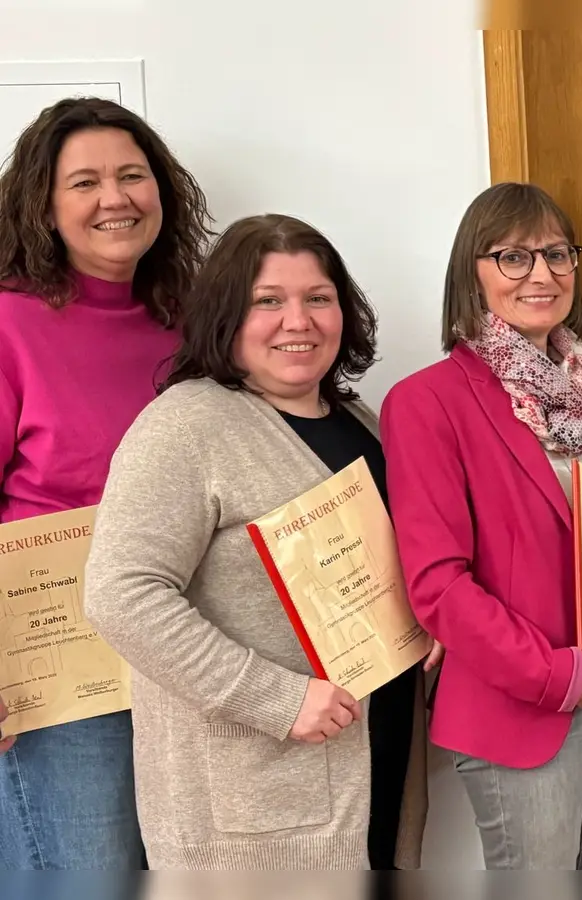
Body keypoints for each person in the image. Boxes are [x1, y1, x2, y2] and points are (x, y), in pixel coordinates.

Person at [81, 214, 431, 868]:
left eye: (317, 299)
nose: (297, 321)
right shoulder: (184, 427)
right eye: (267, 301)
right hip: (256, 805)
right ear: (225, 315)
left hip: (376, 760)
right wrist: (277, 698)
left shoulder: (361, 421)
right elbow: (119, 595)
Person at [381, 181, 582, 870]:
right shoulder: (427, 403)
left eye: (557, 254)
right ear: (471, 272)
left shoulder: (578, 396)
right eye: (513, 256)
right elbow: (439, 588)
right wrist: (559, 679)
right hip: (525, 706)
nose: (542, 274)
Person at [0, 96, 211, 870]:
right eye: (84, 182)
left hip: (190, 657)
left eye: (132, 175)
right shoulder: (7, 326)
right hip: (63, 677)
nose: (115, 198)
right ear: (44, 206)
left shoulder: (192, 321)